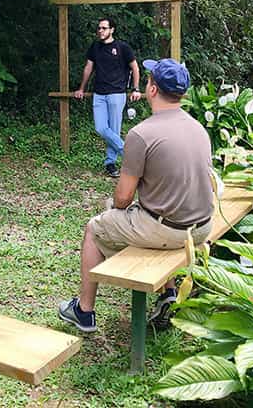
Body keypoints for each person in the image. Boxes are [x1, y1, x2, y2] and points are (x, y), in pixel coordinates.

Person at [58, 58, 214, 332]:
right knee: (152, 214)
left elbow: (123, 198)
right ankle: (168, 293)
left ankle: (84, 311)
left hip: (168, 231)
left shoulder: (142, 134)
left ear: (152, 89)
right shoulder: (198, 128)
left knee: (95, 228)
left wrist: (117, 205)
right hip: (200, 228)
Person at [74, 18, 141, 178]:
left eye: (104, 28)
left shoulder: (122, 47)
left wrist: (136, 88)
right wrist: (81, 88)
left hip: (117, 93)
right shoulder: (95, 47)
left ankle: (110, 164)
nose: (100, 31)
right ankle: (129, 155)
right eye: (99, 28)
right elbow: (88, 68)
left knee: (114, 129)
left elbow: (135, 67)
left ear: (112, 30)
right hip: (99, 93)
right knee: (101, 128)